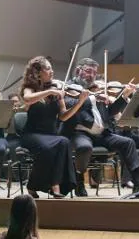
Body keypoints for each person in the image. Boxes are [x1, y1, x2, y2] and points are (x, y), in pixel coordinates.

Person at [62, 58, 139, 197]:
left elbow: (110, 112)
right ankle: (79, 181)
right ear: (78, 71)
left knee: (128, 143)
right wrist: (93, 97)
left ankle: (138, 184)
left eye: (94, 73)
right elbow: (69, 104)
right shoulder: (69, 88)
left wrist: (124, 96)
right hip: (80, 132)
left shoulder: (98, 89)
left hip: (102, 134)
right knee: (84, 147)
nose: (92, 75)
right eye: (88, 71)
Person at [20, 56, 87, 198]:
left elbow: (63, 116)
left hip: (50, 135)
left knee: (64, 141)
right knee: (51, 146)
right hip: (31, 135)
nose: (52, 71)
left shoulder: (56, 90)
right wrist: (49, 91)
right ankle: (39, 185)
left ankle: (54, 185)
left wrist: (79, 103)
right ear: (38, 72)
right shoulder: (30, 88)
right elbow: (27, 99)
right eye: (48, 68)